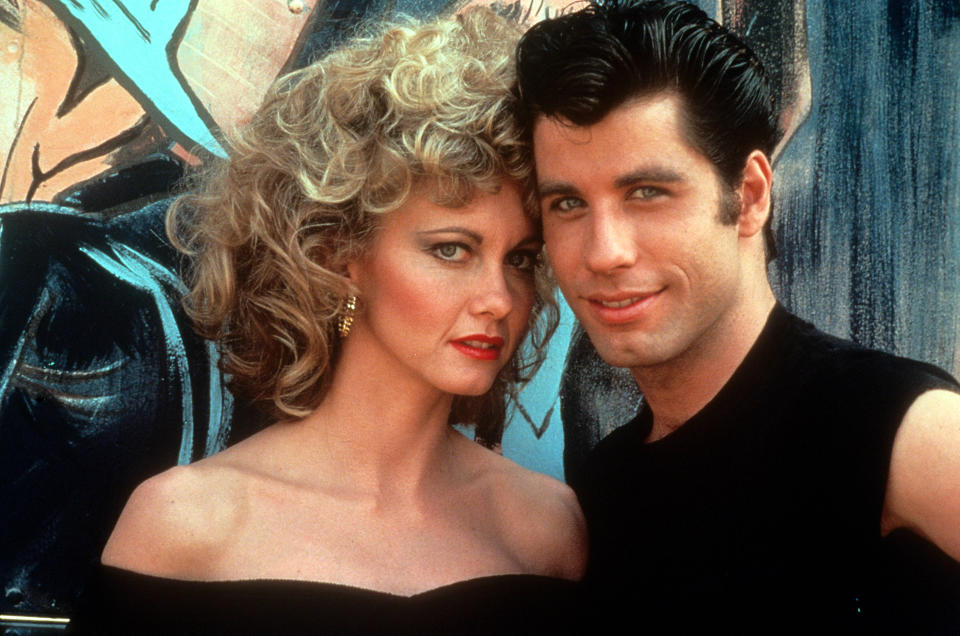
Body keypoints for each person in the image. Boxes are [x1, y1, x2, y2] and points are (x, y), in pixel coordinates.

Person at [69, 8, 586, 634]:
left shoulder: (545, 529)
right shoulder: (187, 525)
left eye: (522, 259)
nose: (499, 298)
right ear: (339, 255)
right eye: (452, 249)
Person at [515, 0, 960, 632]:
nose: (604, 252)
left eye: (648, 193)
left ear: (749, 196)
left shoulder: (900, 428)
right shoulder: (607, 486)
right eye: (566, 203)